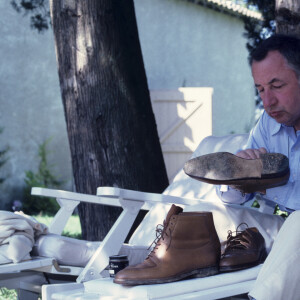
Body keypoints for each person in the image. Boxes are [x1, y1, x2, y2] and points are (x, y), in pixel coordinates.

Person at [218, 34, 300, 300]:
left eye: (276, 85)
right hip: (288, 233)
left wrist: (270, 186)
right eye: (260, 89)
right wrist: (242, 172)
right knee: (208, 214)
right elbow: (230, 200)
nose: (267, 102)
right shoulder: (268, 123)